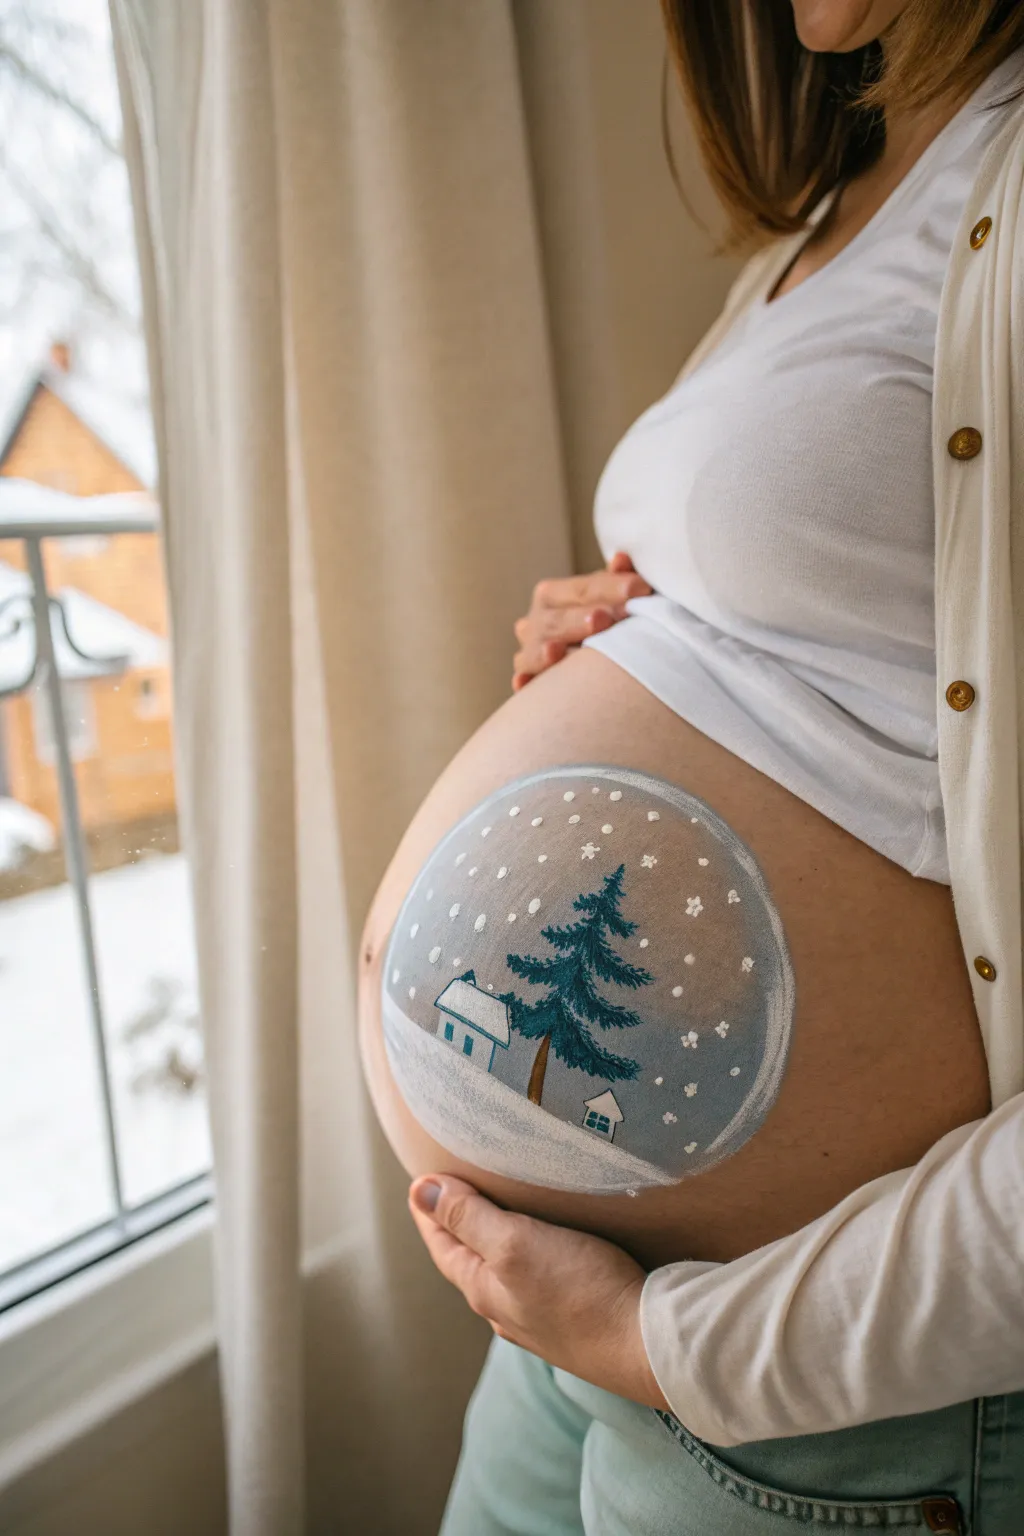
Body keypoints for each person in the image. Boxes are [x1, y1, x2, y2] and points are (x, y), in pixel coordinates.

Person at [357, 1, 1024, 1530]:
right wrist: (621, 630)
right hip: (552, 1325)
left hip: (816, 1380)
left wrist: (674, 1343)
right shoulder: (824, 222)